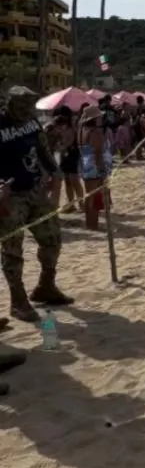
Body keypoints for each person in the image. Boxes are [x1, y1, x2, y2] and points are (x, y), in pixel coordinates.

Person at [0, 86, 73, 323]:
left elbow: (43, 149)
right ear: (10, 104)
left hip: (34, 189)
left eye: (30, 106)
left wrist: (55, 171)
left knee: (52, 237)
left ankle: (46, 286)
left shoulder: (31, 123)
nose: (26, 111)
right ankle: (18, 300)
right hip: (9, 197)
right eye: (21, 106)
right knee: (12, 249)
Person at [78, 105, 113, 231]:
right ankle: (93, 224)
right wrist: (103, 171)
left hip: (85, 165)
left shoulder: (82, 130)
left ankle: (89, 223)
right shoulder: (95, 133)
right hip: (95, 166)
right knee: (95, 197)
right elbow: (98, 153)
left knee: (89, 196)